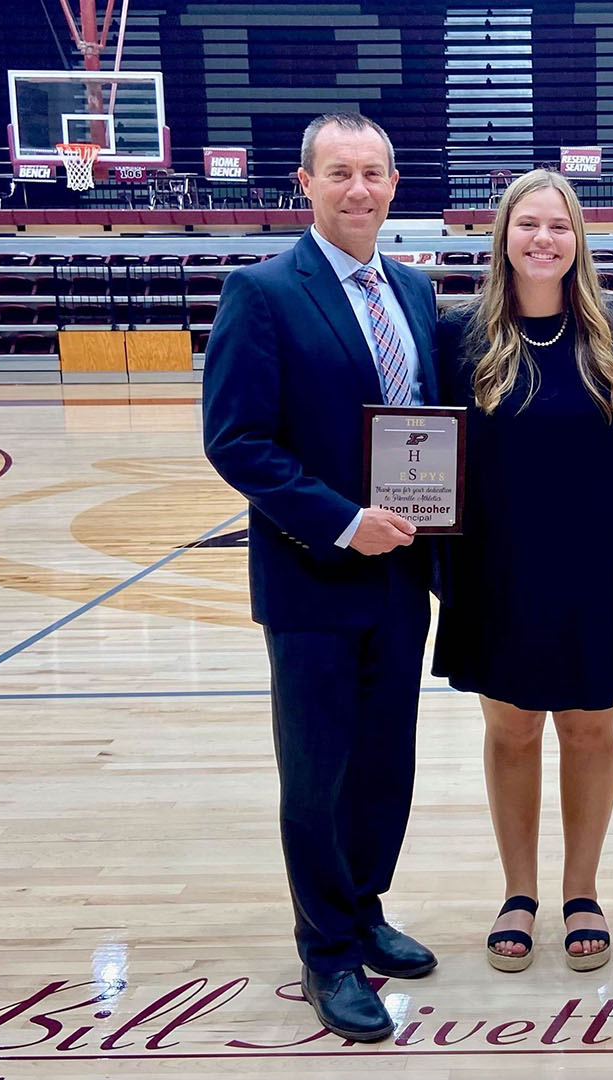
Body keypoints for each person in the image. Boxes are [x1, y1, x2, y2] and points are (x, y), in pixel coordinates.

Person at [202, 113, 440, 1042]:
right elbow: (237, 440)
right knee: (317, 772)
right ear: (305, 184)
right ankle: (326, 952)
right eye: (338, 172)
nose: (358, 189)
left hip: (401, 577)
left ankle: (365, 907)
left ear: (392, 182)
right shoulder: (262, 292)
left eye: (373, 172)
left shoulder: (415, 291)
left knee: (385, 762)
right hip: (312, 577)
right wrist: (342, 522)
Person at [432, 169, 613, 974]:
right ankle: (517, 892)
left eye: (558, 226)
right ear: (503, 236)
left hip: (594, 563)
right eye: (528, 225)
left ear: (577, 238)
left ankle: (581, 889)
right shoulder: (459, 333)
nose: (543, 240)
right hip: (497, 565)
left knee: (590, 728)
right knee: (512, 728)